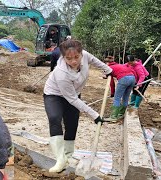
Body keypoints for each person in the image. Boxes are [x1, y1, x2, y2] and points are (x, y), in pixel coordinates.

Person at [43, 39, 112, 173]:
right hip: (54, 94)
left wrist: (108, 69)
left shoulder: (85, 55)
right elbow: (73, 99)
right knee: (54, 118)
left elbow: (93, 60)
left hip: (74, 93)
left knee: (72, 124)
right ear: (63, 57)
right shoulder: (61, 73)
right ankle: (60, 159)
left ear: (81, 53)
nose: (73, 61)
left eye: (76, 57)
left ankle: (68, 156)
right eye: (69, 59)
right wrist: (94, 115)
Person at [103, 56, 136, 121]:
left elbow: (111, 82)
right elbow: (132, 71)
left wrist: (113, 93)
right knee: (125, 98)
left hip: (124, 79)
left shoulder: (109, 68)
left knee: (117, 98)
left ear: (106, 63)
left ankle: (113, 117)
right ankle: (121, 114)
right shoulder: (119, 65)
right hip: (132, 78)